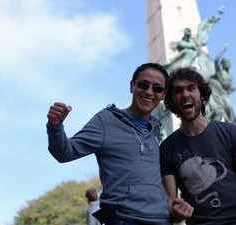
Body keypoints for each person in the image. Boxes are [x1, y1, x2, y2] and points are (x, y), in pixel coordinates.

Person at [46, 63, 175, 225]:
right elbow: (65, 153)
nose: (149, 92)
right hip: (124, 219)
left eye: (157, 88)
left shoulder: (155, 128)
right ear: (132, 86)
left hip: (161, 220)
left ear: (164, 94)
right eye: (143, 84)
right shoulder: (106, 121)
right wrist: (55, 126)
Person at [160, 67, 236, 225]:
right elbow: (171, 201)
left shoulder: (232, 132)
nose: (185, 94)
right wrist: (176, 212)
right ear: (172, 100)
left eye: (191, 88)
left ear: (201, 95)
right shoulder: (166, 149)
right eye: (178, 90)